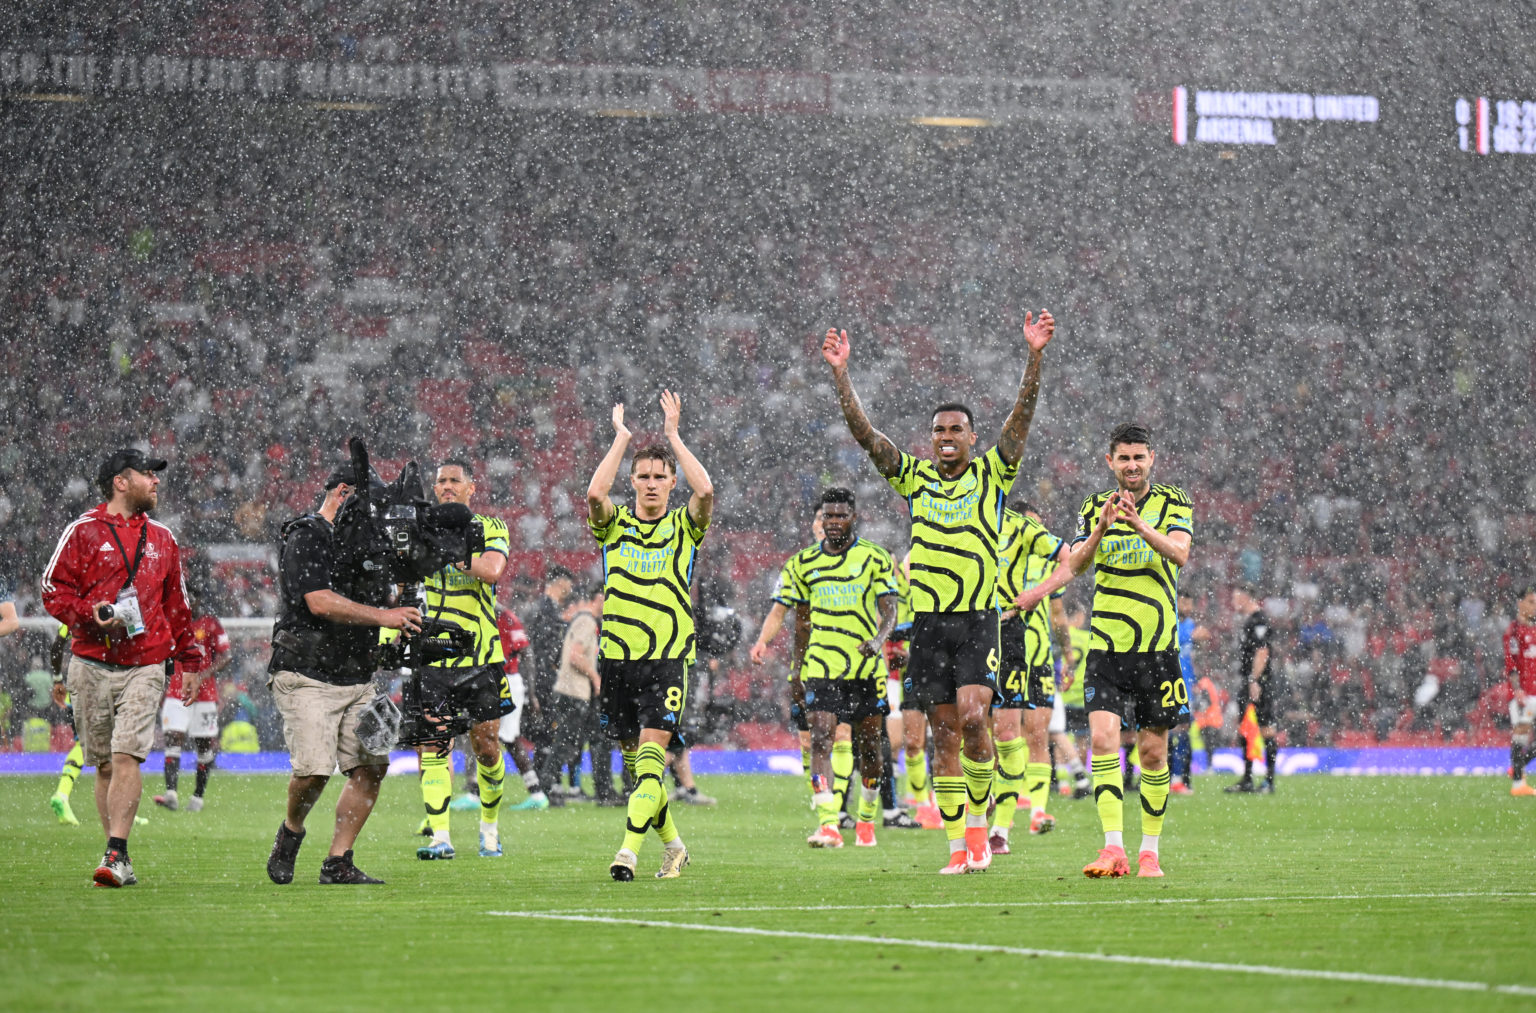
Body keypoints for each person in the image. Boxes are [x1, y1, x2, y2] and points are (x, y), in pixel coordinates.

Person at [823, 311, 1055, 874]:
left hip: (978, 618)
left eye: (955, 431)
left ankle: (980, 830)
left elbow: (1021, 418)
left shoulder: (994, 474)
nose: (946, 439)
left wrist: (1034, 357)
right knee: (945, 736)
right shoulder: (914, 478)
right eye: (938, 431)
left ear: (973, 438)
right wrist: (842, 375)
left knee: (977, 719)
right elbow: (866, 436)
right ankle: (960, 848)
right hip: (927, 622)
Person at [1020, 423, 1193, 879]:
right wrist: (1100, 529)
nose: (1131, 465)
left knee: (1154, 753)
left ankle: (1149, 852)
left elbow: (1179, 554)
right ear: (1110, 462)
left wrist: (1138, 524)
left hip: (1157, 648)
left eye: (1139, 457)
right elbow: (1075, 564)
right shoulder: (1094, 506)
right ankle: (1113, 848)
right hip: (1107, 649)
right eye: (1124, 458)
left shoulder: (1173, 501)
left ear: (1152, 458)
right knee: (1101, 741)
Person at [41, 448, 202, 887]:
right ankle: (116, 854)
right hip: (91, 662)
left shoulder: (163, 539)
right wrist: (87, 613)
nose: (156, 482)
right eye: (148, 474)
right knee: (104, 765)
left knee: (126, 753)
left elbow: (177, 607)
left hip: (146, 662)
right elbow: (52, 590)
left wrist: (190, 659)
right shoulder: (83, 531)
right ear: (120, 481)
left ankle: (116, 852)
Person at [264, 464, 422, 886]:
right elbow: (318, 601)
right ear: (343, 492)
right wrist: (386, 615)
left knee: (372, 765)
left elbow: (384, 598)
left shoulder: (371, 545)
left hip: (358, 677)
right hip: (306, 673)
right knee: (314, 770)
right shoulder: (307, 535)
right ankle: (292, 831)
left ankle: (338, 860)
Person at [587, 392, 713, 881]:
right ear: (633, 482)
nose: (653, 483)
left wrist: (675, 437)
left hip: (667, 659)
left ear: (671, 481)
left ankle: (627, 852)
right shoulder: (614, 527)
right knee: (641, 770)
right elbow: (596, 495)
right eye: (644, 476)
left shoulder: (685, 527)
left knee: (650, 765)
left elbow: (705, 492)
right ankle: (675, 847)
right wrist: (621, 438)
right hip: (617, 659)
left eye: (662, 476)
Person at [753, 488, 899, 847]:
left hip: (865, 669)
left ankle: (866, 818)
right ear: (820, 521)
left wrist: (879, 642)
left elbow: (890, 610)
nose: (833, 523)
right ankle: (829, 823)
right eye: (827, 517)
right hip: (821, 665)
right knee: (821, 739)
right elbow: (780, 611)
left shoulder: (875, 558)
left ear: (854, 517)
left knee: (870, 751)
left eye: (840, 516)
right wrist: (762, 641)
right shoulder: (801, 564)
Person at [411, 459, 513, 860]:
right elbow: (402, 580)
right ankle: (441, 836)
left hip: (481, 655)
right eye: (441, 481)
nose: (447, 487)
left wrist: (452, 555)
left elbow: (491, 571)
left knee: (486, 747)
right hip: (435, 656)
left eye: (455, 480)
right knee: (434, 745)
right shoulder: (421, 530)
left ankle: (490, 828)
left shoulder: (490, 527)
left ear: (472, 488)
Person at [991, 499, 1072, 853]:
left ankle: (1037, 810)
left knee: (1038, 734)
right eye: (1033, 526)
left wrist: (1066, 655)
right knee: (1001, 733)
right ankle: (999, 794)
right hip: (1004, 651)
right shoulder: (1004, 561)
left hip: (1037, 659)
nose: (1039, 533)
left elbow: (1058, 615)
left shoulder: (1049, 569)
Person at [152, 590, 231, 812]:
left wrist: (203, 675)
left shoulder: (211, 624)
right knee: (172, 739)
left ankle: (197, 798)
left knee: (203, 746)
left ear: (197, 600)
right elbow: (162, 656)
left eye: (189, 598)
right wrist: (160, 688)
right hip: (176, 692)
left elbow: (227, 656)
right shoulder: (172, 623)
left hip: (205, 695)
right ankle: (171, 795)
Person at [535, 585, 604, 798]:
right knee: (565, 743)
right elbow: (575, 655)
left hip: (570, 691)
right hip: (574, 691)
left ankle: (550, 788)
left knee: (569, 742)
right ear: (598, 598)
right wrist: (594, 676)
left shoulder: (583, 621)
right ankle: (545, 789)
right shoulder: (587, 621)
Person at [519, 565, 576, 805]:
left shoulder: (548, 610)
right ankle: (546, 787)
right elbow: (540, 651)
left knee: (547, 734)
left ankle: (547, 786)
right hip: (543, 681)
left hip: (542, 680)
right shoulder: (545, 610)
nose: (571, 589)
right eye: (569, 583)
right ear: (560, 582)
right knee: (547, 734)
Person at [494, 604, 550, 809]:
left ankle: (536, 793)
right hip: (493, 680)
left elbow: (527, 653)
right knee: (492, 735)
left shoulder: (506, 617)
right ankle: (535, 791)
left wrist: (531, 692)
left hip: (507, 681)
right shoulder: (487, 613)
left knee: (507, 737)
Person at [1225, 586, 1277, 794]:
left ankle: (1269, 782)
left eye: (1236, 597)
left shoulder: (1259, 621)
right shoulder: (1248, 622)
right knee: (1246, 729)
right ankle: (1247, 779)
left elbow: (1262, 651)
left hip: (1259, 682)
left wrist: (1255, 680)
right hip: (1248, 682)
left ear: (1247, 598)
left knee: (1265, 729)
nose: (1233, 602)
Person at [1171, 591, 1211, 794]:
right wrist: (1190, 636)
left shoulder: (1190, 624)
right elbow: (1171, 639)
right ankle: (1173, 778)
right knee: (1172, 732)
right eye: (1184, 602)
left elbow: (1195, 651)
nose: (1187, 607)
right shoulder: (1169, 621)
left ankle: (1181, 778)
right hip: (1169, 686)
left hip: (1186, 688)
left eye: (1190, 603)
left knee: (1182, 732)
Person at [1503, 585, 1536, 796]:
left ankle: (1517, 767)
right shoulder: (1514, 631)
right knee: (1520, 737)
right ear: (1520, 603)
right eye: (1531, 602)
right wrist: (1518, 691)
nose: (1535, 607)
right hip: (1523, 695)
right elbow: (1511, 665)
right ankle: (1518, 786)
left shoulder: (1534, 630)